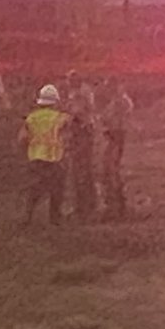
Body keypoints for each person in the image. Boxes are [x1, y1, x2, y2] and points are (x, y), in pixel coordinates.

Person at [18, 83, 70, 226]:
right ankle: (55, 219)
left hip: (35, 158)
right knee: (57, 190)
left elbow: (22, 138)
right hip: (54, 158)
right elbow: (67, 136)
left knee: (35, 189)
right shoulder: (61, 118)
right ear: (55, 101)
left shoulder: (31, 118)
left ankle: (27, 217)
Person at [64, 71, 98, 222]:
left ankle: (85, 207)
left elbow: (79, 113)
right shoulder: (78, 93)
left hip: (82, 133)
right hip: (79, 133)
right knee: (79, 171)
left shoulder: (81, 94)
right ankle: (84, 205)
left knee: (82, 171)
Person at [100, 79, 136, 220]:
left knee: (112, 172)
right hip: (113, 136)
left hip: (116, 136)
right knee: (109, 172)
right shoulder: (117, 101)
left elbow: (115, 119)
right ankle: (115, 206)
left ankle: (116, 207)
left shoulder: (121, 102)